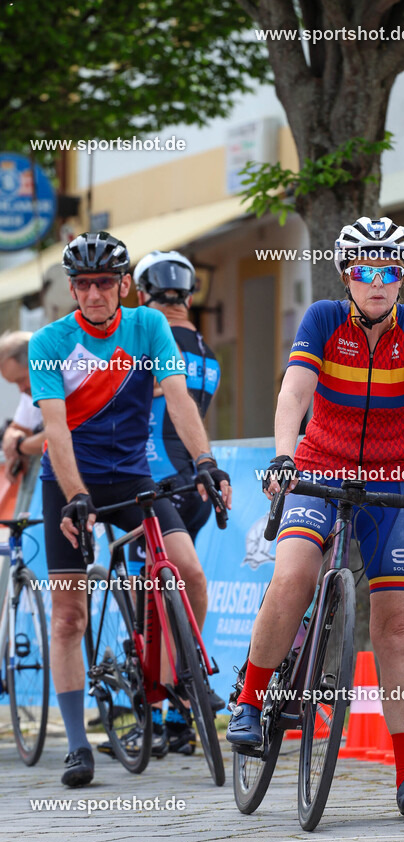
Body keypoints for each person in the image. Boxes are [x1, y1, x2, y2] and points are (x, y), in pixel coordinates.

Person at [226, 216, 404, 819]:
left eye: (389, 270)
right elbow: (295, 393)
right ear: (348, 275)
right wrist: (283, 457)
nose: (378, 281)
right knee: (295, 574)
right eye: (365, 270)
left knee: (397, 628)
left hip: (393, 479)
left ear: (401, 278)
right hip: (319, 467)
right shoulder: (323, 319)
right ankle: (250, 700)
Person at [28, 231, 231, 788]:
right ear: (72, 288)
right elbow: (56, 430)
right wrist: (76, 495)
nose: (93, 294)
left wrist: (206, 462)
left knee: (188, 572)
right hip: (68, 483)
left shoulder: (148, 326)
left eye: (104, 283)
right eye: (83, 284)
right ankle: (77, 745)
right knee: (68, 616)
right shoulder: (50, 341)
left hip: (135, 476)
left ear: (123, 284)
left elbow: (179, 398)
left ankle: (177, 676)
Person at [131, 250, 221, 756]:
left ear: (143, 293)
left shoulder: (147, 341)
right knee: (180, 596)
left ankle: (159, 707)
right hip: (196, 484)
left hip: (152, 480)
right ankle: (178, 714)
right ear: (188, 294)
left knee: (151, 601)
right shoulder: (207, 350)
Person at [0, 331, 46, 472]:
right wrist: (12, 438)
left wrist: (19, 446)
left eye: (21, 380)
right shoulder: (31, 393)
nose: (21, 389)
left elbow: (56, 436)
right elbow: (16, 428)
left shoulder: (71, 385)